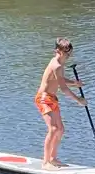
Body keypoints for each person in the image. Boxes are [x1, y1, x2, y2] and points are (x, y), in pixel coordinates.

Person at [36, 38, 85, 166]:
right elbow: (63, 88)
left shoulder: (59, 64)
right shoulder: (56, 65)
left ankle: (53, 158)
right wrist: (78, 100)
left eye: (70, 53)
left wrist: (74, 83)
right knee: (53, 128)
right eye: (66, 53)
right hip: (43, 99)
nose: (68, 56)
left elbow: (60, 80)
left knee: (61, 129)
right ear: (58, 51)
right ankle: (45, 162)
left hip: (52, 98)